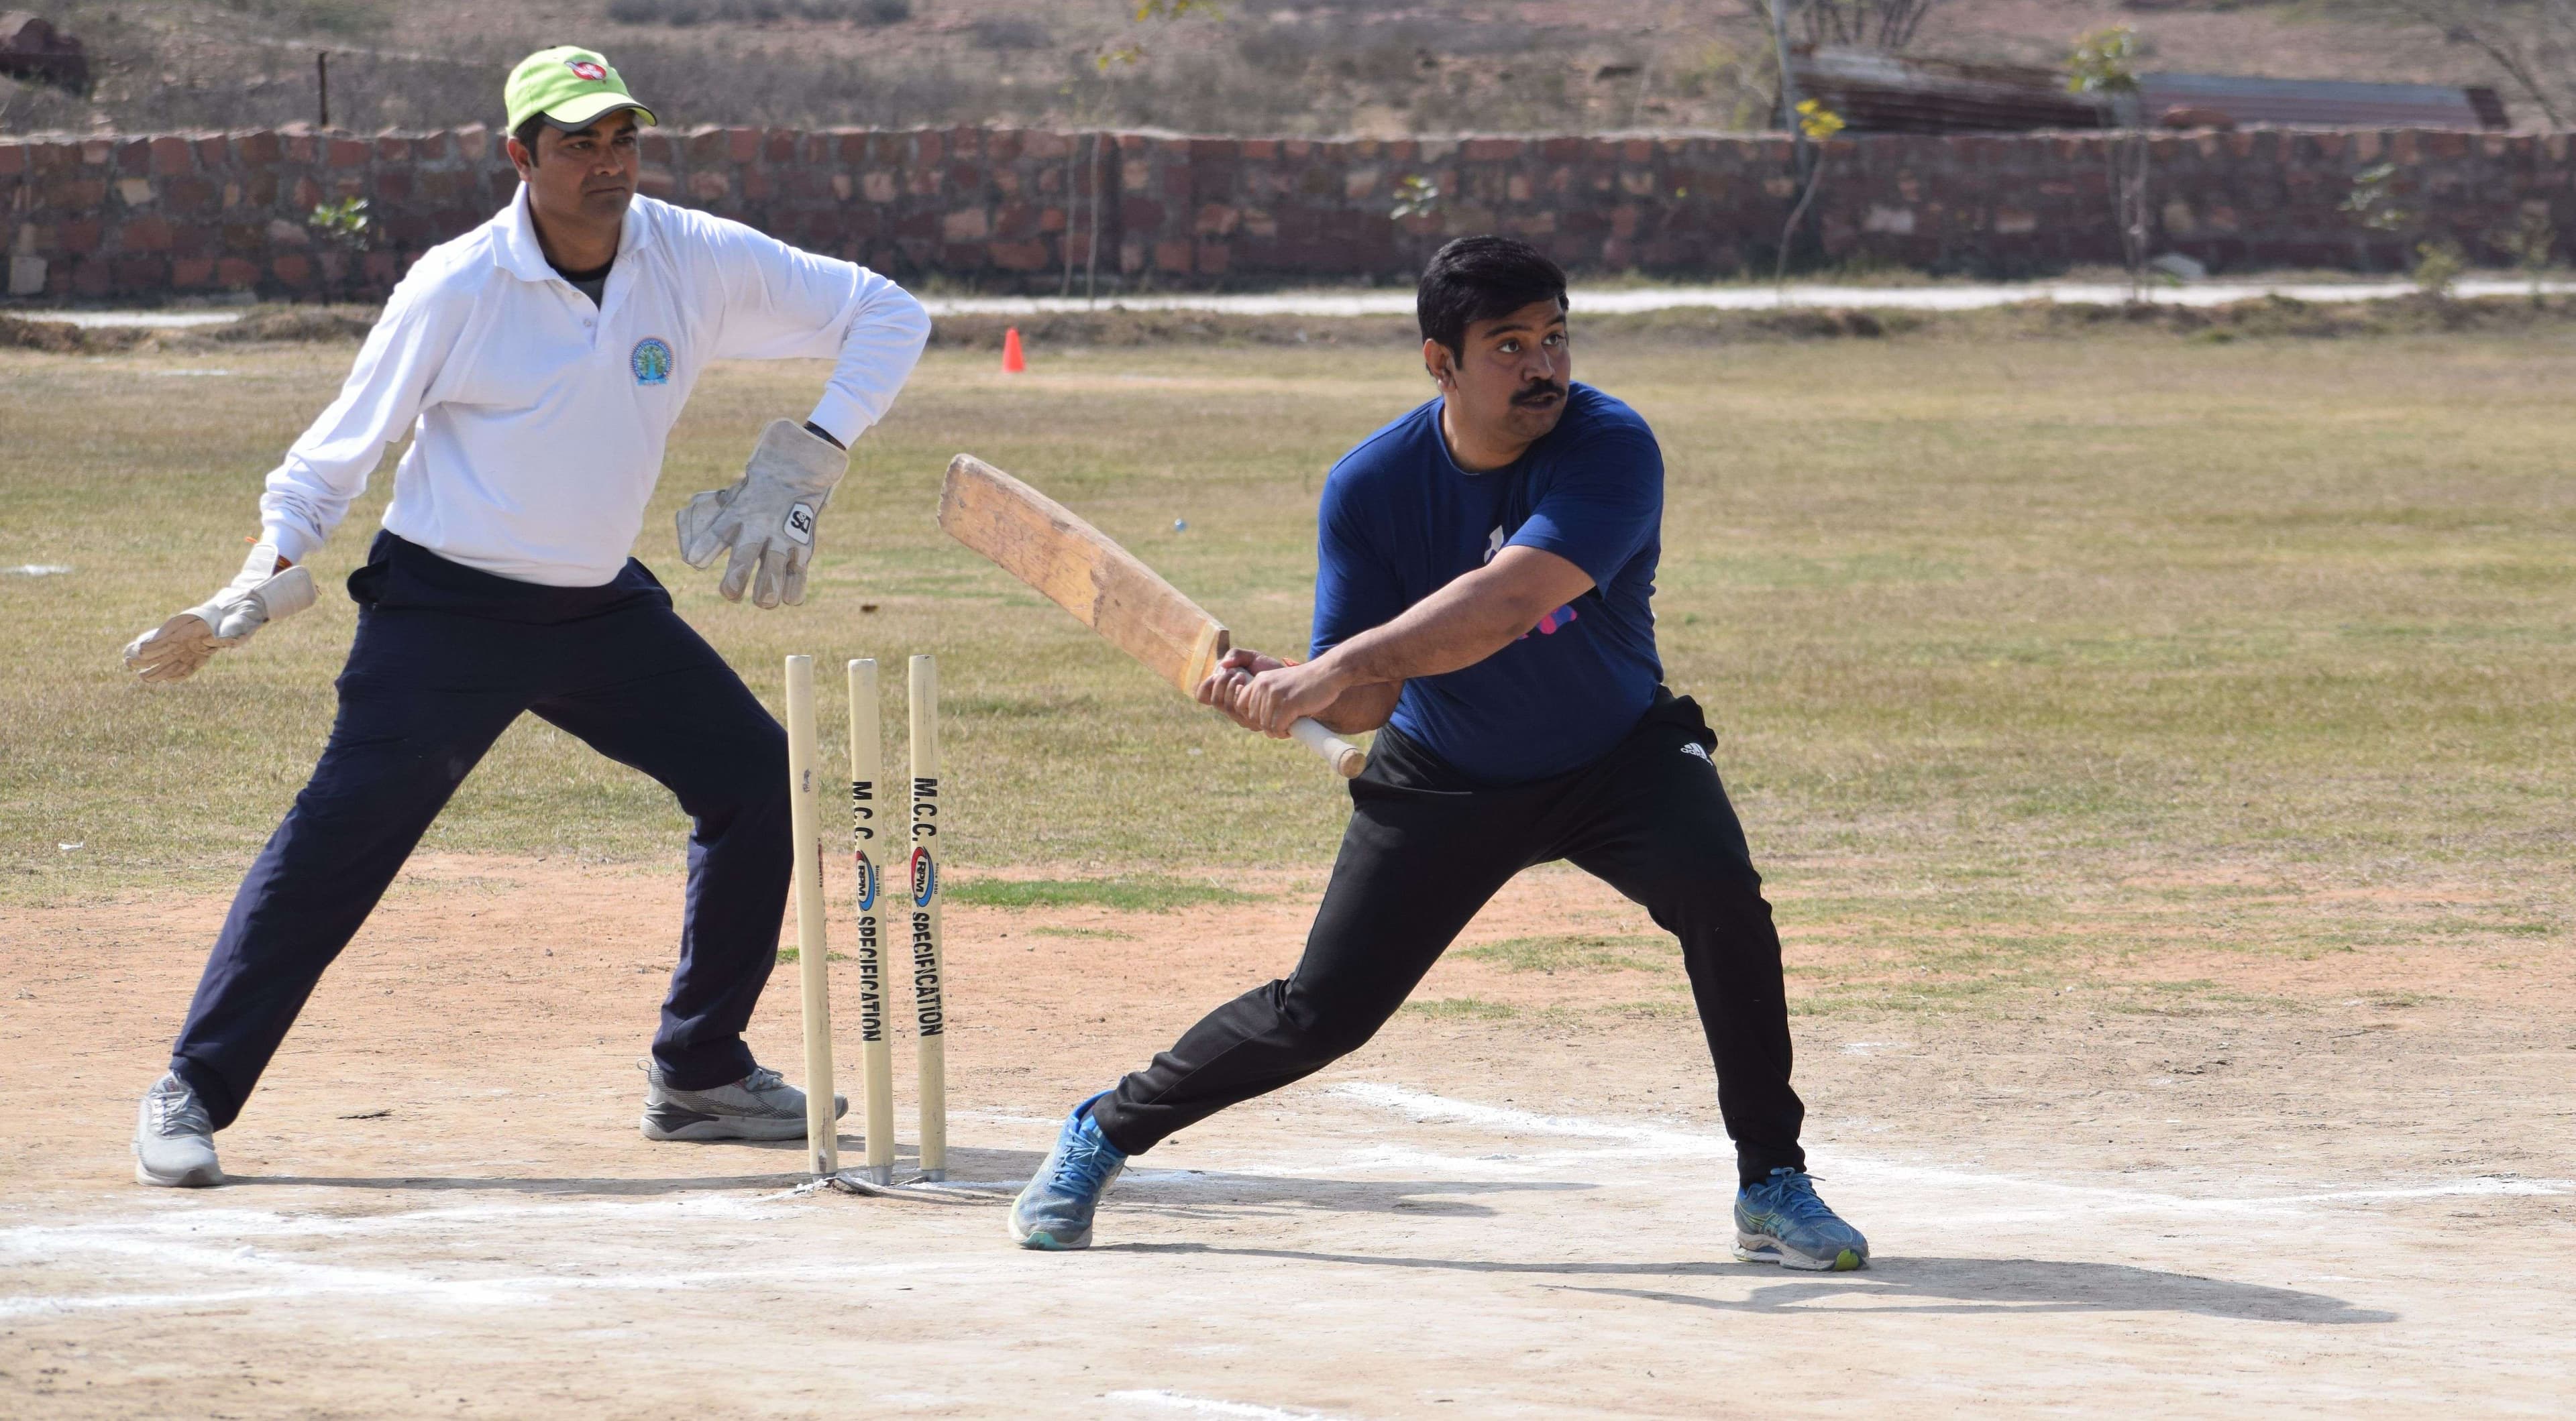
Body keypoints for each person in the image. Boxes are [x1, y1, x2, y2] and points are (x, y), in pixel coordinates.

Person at [124, 46, 929, 1188]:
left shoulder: (689, 254)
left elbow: (888, 313)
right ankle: (192, 1089)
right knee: (340, 840)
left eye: (623, 140)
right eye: (577, 144)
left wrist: (815, 449)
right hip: (444, 609)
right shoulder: (459, 285)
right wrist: (256, 576)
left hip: (599, 604)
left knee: (758, 777)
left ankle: (698, 1072)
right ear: (520, 156)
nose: (609, 166)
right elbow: (335, 456)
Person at [1010, 236, 1870, 1269]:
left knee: (1724, 901)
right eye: (1509, 345)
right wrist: (1291, 694)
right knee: (1321, 1016)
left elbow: (1505, 605)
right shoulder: (1371, 487)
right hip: (1445, 775)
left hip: (1616, 756)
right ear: (1440, 363)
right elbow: (1371, 696)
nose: (1544, 365)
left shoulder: (1609, 445)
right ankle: (1102, 1131)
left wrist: (1322, 675)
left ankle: (1771, 1181)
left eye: (1555, 337)